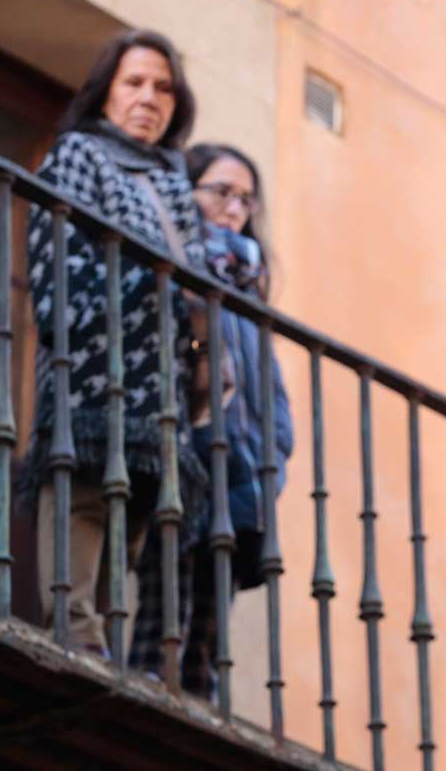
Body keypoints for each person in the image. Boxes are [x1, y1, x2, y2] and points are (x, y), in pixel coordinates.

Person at [20, 29, 209, 657]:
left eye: (163, 87)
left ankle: (106, 648)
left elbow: (199, 286)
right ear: (106, 92)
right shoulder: (79, 153)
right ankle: (77, 639)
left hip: (159, 394)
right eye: (134, 82)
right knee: (85, 502)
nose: (149, 98)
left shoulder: (178, 187)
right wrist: (158, 291)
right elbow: (56, 268)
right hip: (94, 377)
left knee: (127, 530)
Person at [178, 142, 293, 698]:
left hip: (242, 476)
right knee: (166, 609)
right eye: (221, 191)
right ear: (189, 189)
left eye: (245, 199)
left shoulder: (249, 291)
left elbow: (274, 396)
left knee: (208, 626)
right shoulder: (179, 260)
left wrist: (275, 462)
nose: (234, 208)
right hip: (189, 459)